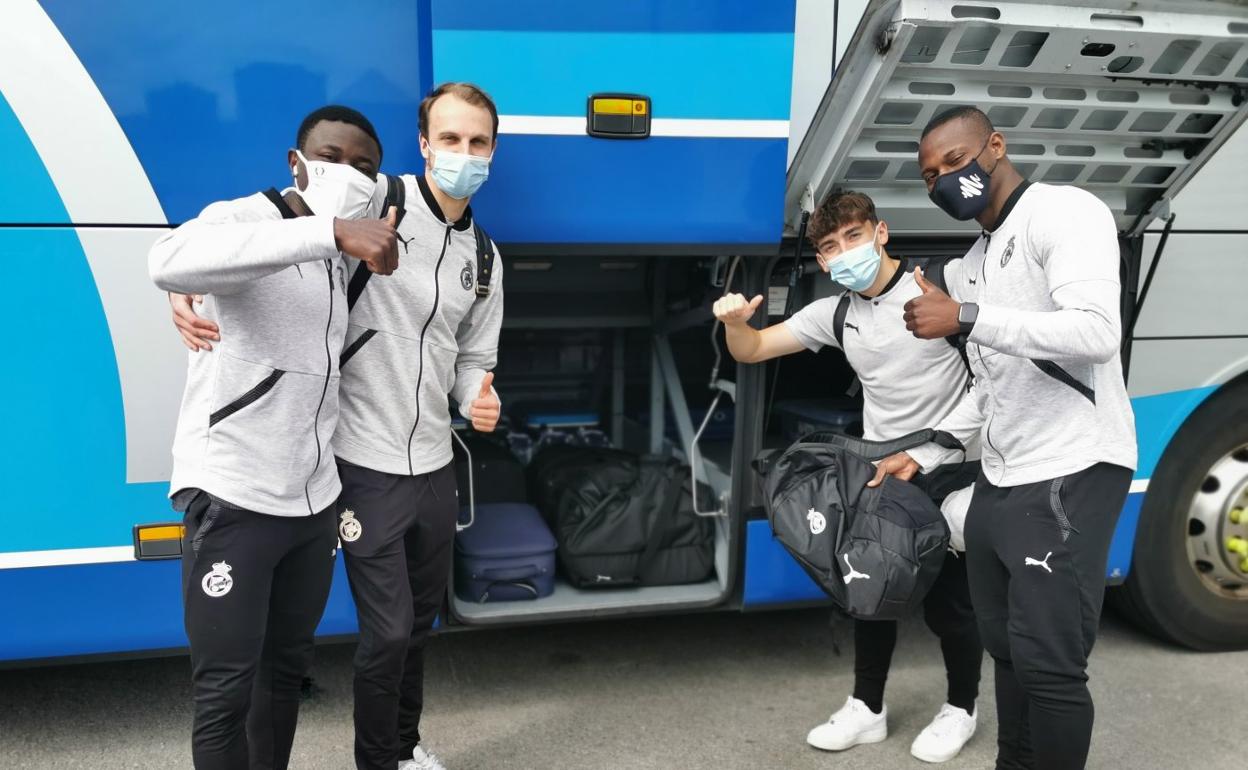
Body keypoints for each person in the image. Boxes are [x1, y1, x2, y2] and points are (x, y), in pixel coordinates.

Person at [169, 83, 505, 770]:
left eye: (477, 142)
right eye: (450, 139)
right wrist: (181, 293)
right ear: (423, 145)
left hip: (413, 469)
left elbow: (471, 354)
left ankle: (403, 751)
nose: (462, 155)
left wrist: (477, 393)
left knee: (407, 632)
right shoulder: (371, 208)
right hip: (347, 465)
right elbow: (213, 257)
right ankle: (379, 760)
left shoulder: (487, 259)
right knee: (375, 636)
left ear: (492, 150)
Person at [875, 105, 1137, 769]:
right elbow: (991, 390)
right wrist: (929, 448)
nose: (943, 181)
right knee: (1008, 650)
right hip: (1001, 479)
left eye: (956, 162)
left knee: (1050, 666)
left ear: (996, 145)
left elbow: (1095, 333)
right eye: (930, 174)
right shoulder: (969, 263)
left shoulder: (1062, 212)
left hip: (1071, 467)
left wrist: (967, 316)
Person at [149, 105, 399, 770]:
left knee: (283, 674)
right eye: (331, 156)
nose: (347, 172)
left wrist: (344, 241)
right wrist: (327, 232)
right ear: (297, 162)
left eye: (364, 166)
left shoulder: (345, 257)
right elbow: (170, 259)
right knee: (224, 691)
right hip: (236, 498)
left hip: (312, 506)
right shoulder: (247, 220)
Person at [713, 191, 983, 763]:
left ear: (881, 232)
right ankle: (868, 709)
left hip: (954, 469)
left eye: (853, 237)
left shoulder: (937, 291)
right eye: (830, 248)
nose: (844, 254)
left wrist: (937, 447)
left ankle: (961, 708)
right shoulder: (836, 313)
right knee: (869, 588)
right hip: (883, 472)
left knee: (952, 606)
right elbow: (755, 348)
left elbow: (993, 381)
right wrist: (737, 323)